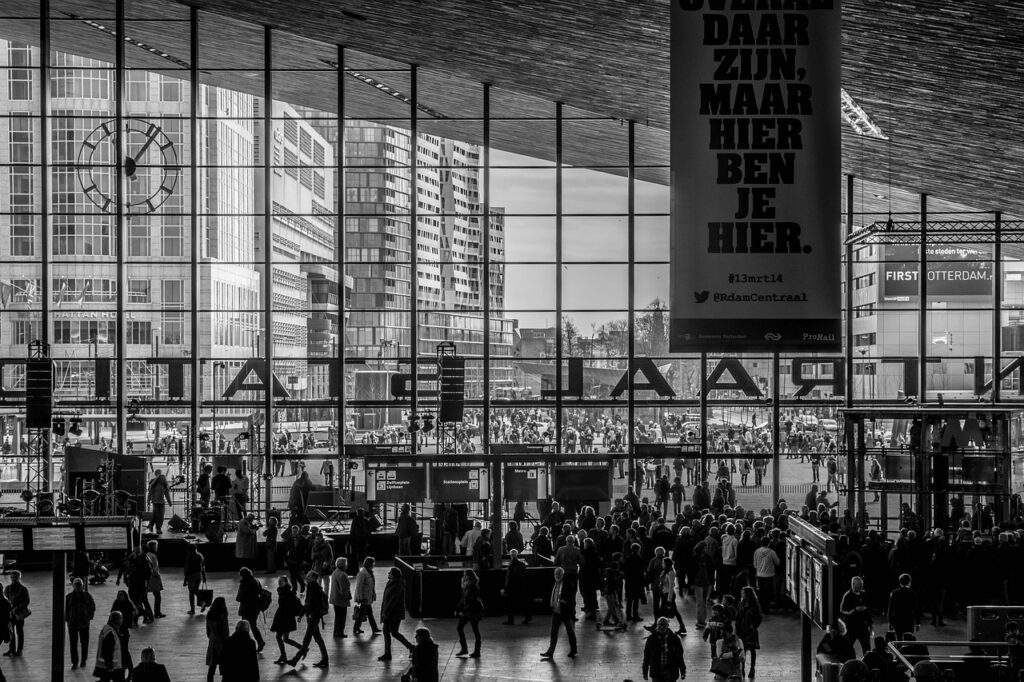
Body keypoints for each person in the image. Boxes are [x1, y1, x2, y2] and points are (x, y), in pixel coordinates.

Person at [289, 571, 329, 668]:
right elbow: (307, 604)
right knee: (318, 639)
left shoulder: (315, 589)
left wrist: (311, 614)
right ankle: (325, 660)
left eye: (309, 576)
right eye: (307, 576)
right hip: (311, 617)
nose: (307, 577)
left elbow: (318, 605)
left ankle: (295, 660)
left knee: (306, 640)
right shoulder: (310, 588)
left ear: (314, 578)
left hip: (313, 618)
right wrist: (301, 615)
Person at [540, 567, 578, 659]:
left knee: (570, 631)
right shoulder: (554, 584)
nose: (557, 576)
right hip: (556, 611)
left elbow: (572, 598)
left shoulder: (567, 584)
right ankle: (550, 652)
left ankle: (573, 649)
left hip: (565, 612)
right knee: (554, 632)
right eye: (556, 574)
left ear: (563, 575)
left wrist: (566, 602)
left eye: (559, 574)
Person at [379, 566, 413, 661]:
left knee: (394, 632)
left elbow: (393, 601)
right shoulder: (391, 583)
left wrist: (385, 612)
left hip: (394, 614)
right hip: (389, 613)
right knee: (386, 632)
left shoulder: (397, 585)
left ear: (393, 575)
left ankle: (411, 647)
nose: (388, 574)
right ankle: (387, 653)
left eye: (389, 573)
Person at [642, 616, 686, 682]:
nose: (662, 627)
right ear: (657, 625)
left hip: (671, 671)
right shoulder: (651, 639)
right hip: (656, 671)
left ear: (668, 625)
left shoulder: (675, 639)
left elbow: (679, 656)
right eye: (660, 625)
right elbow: (647, 656)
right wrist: (645, 671)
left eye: (664, 625)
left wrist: (683, 671)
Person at [65, 577, 96, 670]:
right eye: (76, 585)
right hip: (72, 624)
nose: (78, 587)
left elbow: (92, 607)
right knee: (73, 644)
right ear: (73, 586)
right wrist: (68, 619)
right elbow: (65, 609)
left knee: (85, 643)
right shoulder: (69, 597)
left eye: (80, 585)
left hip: (84, 624)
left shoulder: (87, 596)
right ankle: (75, 662)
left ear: (82, 586)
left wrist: (89, 617)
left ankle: (83, 661)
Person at [271, 575, 302, 665]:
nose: (279, 582)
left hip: (286, 618)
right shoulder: (281, 591)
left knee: (284, 638)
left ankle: (301, 649)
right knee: (282, 638)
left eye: (281, 581)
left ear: (286, 582)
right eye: (279, 581)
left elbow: (295, 603)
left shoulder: (288, 592)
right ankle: (284, 655)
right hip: (281, 617)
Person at [235, 567, 266, 652]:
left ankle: (246, 644)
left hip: (246, 608)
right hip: (255, 608)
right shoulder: (256, 580)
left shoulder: (244, 583)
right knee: (253, 625)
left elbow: (239, 598)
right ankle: (260, 641)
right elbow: (260, 592)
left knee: (245, 626)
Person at [839, 576, 872, 656]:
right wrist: (855, 609)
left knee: (867, 647)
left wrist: (870, 624)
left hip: (863, 627)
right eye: (859, 584)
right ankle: (847, 663)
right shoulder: (847, 596)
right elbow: (842, 610)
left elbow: (868, 611)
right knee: (848, 647)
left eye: (862, 584)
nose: (861, 586)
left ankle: (867, 663)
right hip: (852, 627)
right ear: (853, 584)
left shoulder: (864, 594)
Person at [456, 569, 484, 658]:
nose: (464, 577)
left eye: (465, 575)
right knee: (460, 628)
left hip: (474, 611)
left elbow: (472, 601)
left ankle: (477, 651)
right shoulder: (465, 586)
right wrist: (458, 609)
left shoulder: (473, 587)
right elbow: (463, 599)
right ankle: (464, 649)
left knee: (475, 630)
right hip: (467, 610)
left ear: (469, 576)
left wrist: (463, 611)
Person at [736, 586, 762, 678]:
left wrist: (753, 626)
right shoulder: (740, 604)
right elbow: (737, 617)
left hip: (750, 632)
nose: (741, 594)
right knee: (742, 650)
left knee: (752, 649)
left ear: (748, 594)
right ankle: (742, 668)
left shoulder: (754, 605)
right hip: (742, 631)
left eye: (743, 593)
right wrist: (737, 629)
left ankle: (752, 668)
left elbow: (759, 617)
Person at [2, 570, 29, 657]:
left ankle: (19, 650)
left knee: (19, 631)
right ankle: (12, 649)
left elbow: (26, 601)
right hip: (11, 613)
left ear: (19, 578)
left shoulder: (23, 589)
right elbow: (5, 600)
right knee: (11, 631)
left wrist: (16, 608)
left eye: (15, 577)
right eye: (12, 577)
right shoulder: (7, 589)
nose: (13, 579)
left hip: (18, 613)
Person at [353, 556, 382, 636]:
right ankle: (374, 628)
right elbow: (359, 586)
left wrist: (374, 594)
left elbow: (372, 586)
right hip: (364, 598)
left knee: (363, 614)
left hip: (367, 597)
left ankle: (357, 628)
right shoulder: (363, 573)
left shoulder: (369, 572)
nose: (374, 564)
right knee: (368, 613)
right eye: (373, 563)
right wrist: (360, 598)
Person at [503, 549, 531, 625]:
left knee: (510, 604)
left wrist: (505, 588)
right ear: (517, 555)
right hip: (521, 586)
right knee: (523, 602)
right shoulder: (522, 564)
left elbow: (509, 577)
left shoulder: (511, 565)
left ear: (510, 555)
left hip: (512, 587)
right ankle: (528, 616)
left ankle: (510, 620)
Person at [94, 611, 124, 682]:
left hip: (108, 666)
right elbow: (107, 650)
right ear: (116, 620)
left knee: (105, 680)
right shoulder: (111, 633)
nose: (122, 620)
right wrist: (109, 664)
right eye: (120, 618)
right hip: (111, 666)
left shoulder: (109, 629)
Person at [752, 536, 780, 612]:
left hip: (760, 574)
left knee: (761, 592)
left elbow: (755, 564)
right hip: (769, 575)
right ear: (769, 543)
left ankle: (761, 607)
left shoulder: (757, 551)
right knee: (768, 592)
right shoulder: (772, 552)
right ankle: (767, 608)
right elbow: (777, 562)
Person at [205, 597, 230, 682]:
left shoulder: (210, 614)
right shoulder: (223, 615)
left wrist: (212, 637)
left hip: (213, 640)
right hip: (222, 642)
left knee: (212, 666)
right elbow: (225, 631)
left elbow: (208, 631)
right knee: (224, 666)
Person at [887, 573, 918, 638]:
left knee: (899, 638)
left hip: (897, 619)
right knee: (909, 639)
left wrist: (890, 622)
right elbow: (916, 609)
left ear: (900, 582)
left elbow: (890, 609)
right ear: (909, 582)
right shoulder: (913, 594)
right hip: (908, 620)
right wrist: (918, 622)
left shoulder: (894, 593)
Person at [329, 557, 352, 638]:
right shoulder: (342, 575)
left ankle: (336, 632)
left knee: (337, 616)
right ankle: (340, 632)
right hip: (341, 599)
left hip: (335, 598)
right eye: (346, 563)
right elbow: (344, 589)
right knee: (342, 617)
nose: (347, 565)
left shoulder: (335, 572)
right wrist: (347, 597)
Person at [184, 542, 207, 615]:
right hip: (199, 576)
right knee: (196, 590)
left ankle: (192, 609)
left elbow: (188, 569)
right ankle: (202, 602)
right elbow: (203, 567)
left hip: (191, 576)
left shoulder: (190, 557)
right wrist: (204, 577)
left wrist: (185, 580)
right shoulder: (200, 556)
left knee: (191, 593)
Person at [144, 540, 165, 618]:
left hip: (147, 577)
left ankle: (148, 612)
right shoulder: (154, 556)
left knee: (145, 596)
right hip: (154, 578)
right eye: (156, 546)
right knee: (157, 595)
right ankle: (157, 612)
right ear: (154, 547)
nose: (157, 548)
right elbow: (155, 568)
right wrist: (156, 575)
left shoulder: (146, 555)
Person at [147, 469, 172, 534]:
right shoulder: (154, 483)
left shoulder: (163, 484)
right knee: (158, 516)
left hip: (159, 502)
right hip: (156, 502)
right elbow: (150, 493)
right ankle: (157, 528)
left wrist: (148, 500)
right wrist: (169, 501)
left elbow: (166, 493)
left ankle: (153, 526)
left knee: (159, 516)